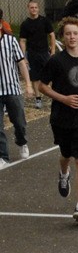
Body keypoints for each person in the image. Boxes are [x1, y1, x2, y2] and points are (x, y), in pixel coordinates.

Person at [39, 17, 78, 224]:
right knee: (66, 153)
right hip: (62, 118)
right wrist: (63, 99)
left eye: (75, 33)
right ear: (62, 37)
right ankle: (63, 173)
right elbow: (43, 87)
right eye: (68, 34)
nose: (72, 37)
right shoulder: (56, 61)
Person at [0, 28, 33, 167]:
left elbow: (21, 63)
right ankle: (3, 157)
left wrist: (28, 84)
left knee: (19, 121)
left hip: (12, 88)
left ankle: (22, 142)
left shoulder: (10, 41)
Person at [19, 0, 56, 109]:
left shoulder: (45, 21)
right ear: (28, 9)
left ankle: (56, 96)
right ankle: (38, 99)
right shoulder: (25, 24)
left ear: (38, 9)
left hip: (45, 52)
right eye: (31, 7)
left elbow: (52, 35)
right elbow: (22, 41)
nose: (34, 9)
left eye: (35, 7)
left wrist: (53, 51)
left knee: (53, 74)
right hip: (32, 54)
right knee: (34, 77)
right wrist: (23, 57)